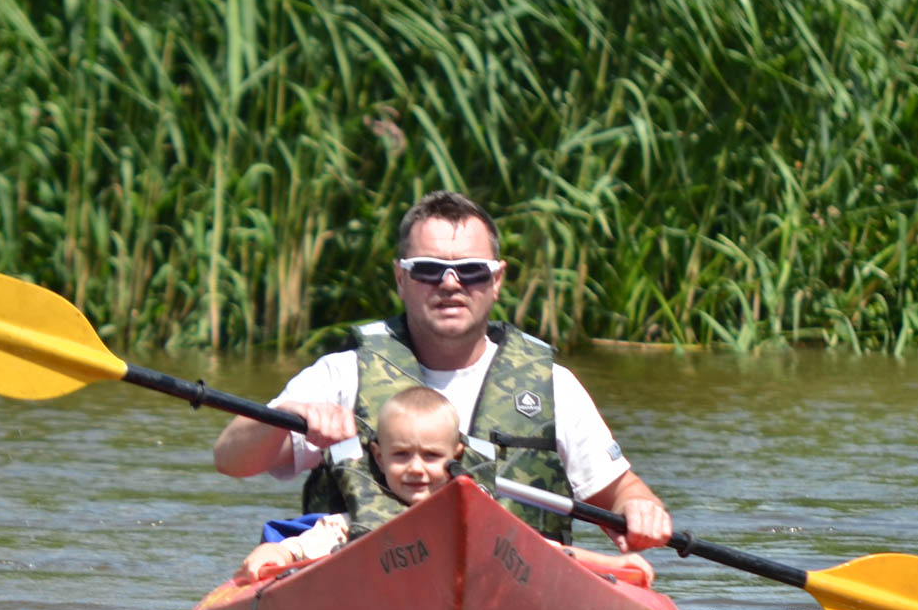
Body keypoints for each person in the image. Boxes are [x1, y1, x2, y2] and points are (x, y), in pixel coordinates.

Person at [213, 190, 673, 552]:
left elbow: (620, 493)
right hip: (370, 586)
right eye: (429, 269)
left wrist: (641, 509)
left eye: (471, 271)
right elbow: (232, 460)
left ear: (496, 281)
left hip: (510, 592)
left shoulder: (554, 387)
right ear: (400, 278)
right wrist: (288, 414)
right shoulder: (341, 375)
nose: (451, 284)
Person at [234, 387, 655, 584]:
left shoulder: (471, 519)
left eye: (431, 457)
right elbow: (303, 546)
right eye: (401, 456)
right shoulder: (350, 521)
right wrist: (273, 551)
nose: (416, 468)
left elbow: (547, 551)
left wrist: (616, 566)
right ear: (378, 458)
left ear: (454, 458)